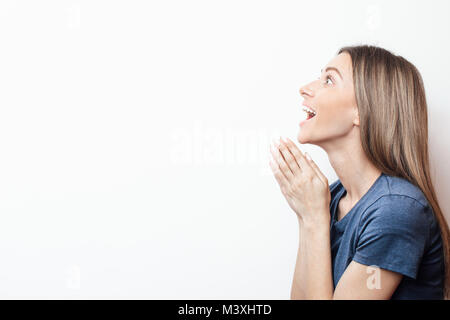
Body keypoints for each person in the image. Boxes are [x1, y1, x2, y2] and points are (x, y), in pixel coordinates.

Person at [268, 45, 449, 299]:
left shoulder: (396, 210)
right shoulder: (330, 198)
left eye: (329, 80)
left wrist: (313, 219)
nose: (305, 88)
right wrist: (307, 215)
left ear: (363, 111)